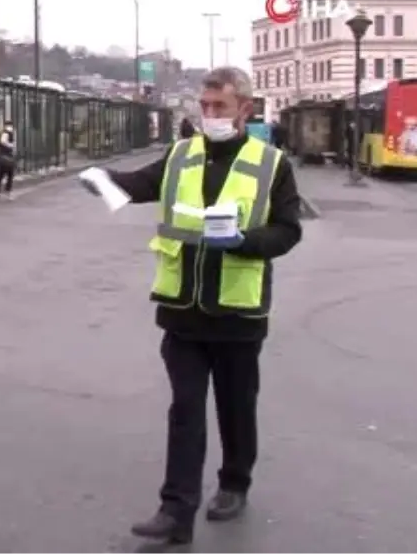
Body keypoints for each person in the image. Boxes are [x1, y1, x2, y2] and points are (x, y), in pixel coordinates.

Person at [83, 67, 302, 544]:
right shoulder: (181, 155)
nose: (209, 114)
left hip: (238, 314)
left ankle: (234, 483)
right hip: (182, 312)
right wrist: (102, 179)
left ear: (245, 108)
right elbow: (139, 185)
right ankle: (176, 510)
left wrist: (244, 241)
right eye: (204, 106)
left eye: (218, 106)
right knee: (185, 409)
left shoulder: (272, 164)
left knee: (235, 407)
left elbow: (288, 230)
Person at [0, 120, 16, 201]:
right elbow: (4, 142)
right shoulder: (8, 132)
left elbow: (0, 142)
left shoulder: (2, 132)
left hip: (1, 158)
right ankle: (8, 193)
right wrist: (11, 145)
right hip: (7, 159)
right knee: (9, 176)